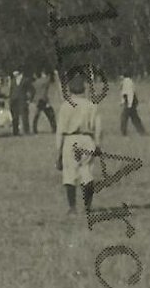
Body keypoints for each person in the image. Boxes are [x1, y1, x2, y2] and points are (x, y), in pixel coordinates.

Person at [55, 75, 102, 214]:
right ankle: (87, 206)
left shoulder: (65, 106)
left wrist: (58, 151)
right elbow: (98, 127)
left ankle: (72, 207)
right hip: (87, 139)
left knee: (70, 172)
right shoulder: (91, 105)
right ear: (84, 89)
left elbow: (60, 130)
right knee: (86, 171)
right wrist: (98, 144)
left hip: (71, 139)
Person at [119, 71, 146, 136]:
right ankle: (141, 131)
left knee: (124, 117)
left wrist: (129, 104)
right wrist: (122, 102)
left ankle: (124, 132)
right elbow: (123, 93)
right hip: (129, 101)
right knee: (134, 117)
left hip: (130, 101)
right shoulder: (124, 82)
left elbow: (130, 93)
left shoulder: (127, 82)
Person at [9, 69, 34, 136]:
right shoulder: (13, 80)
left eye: (15, 71)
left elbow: (32, 90)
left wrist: (30, 99)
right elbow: (11, 91)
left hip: (22, 100)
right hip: (14, 101)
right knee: (14, 116)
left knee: (24, 115)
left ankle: (26, 131)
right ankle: (15, 132)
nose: (13, 73)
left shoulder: (26, 80)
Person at [32, 70, 57, 134]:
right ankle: (54, 128)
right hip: (44, 100)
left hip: (38, 100)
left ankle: (34, 129)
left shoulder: (36, 82)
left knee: (36, 116)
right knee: (50, 114)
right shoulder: (44, 81)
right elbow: (49, 80)